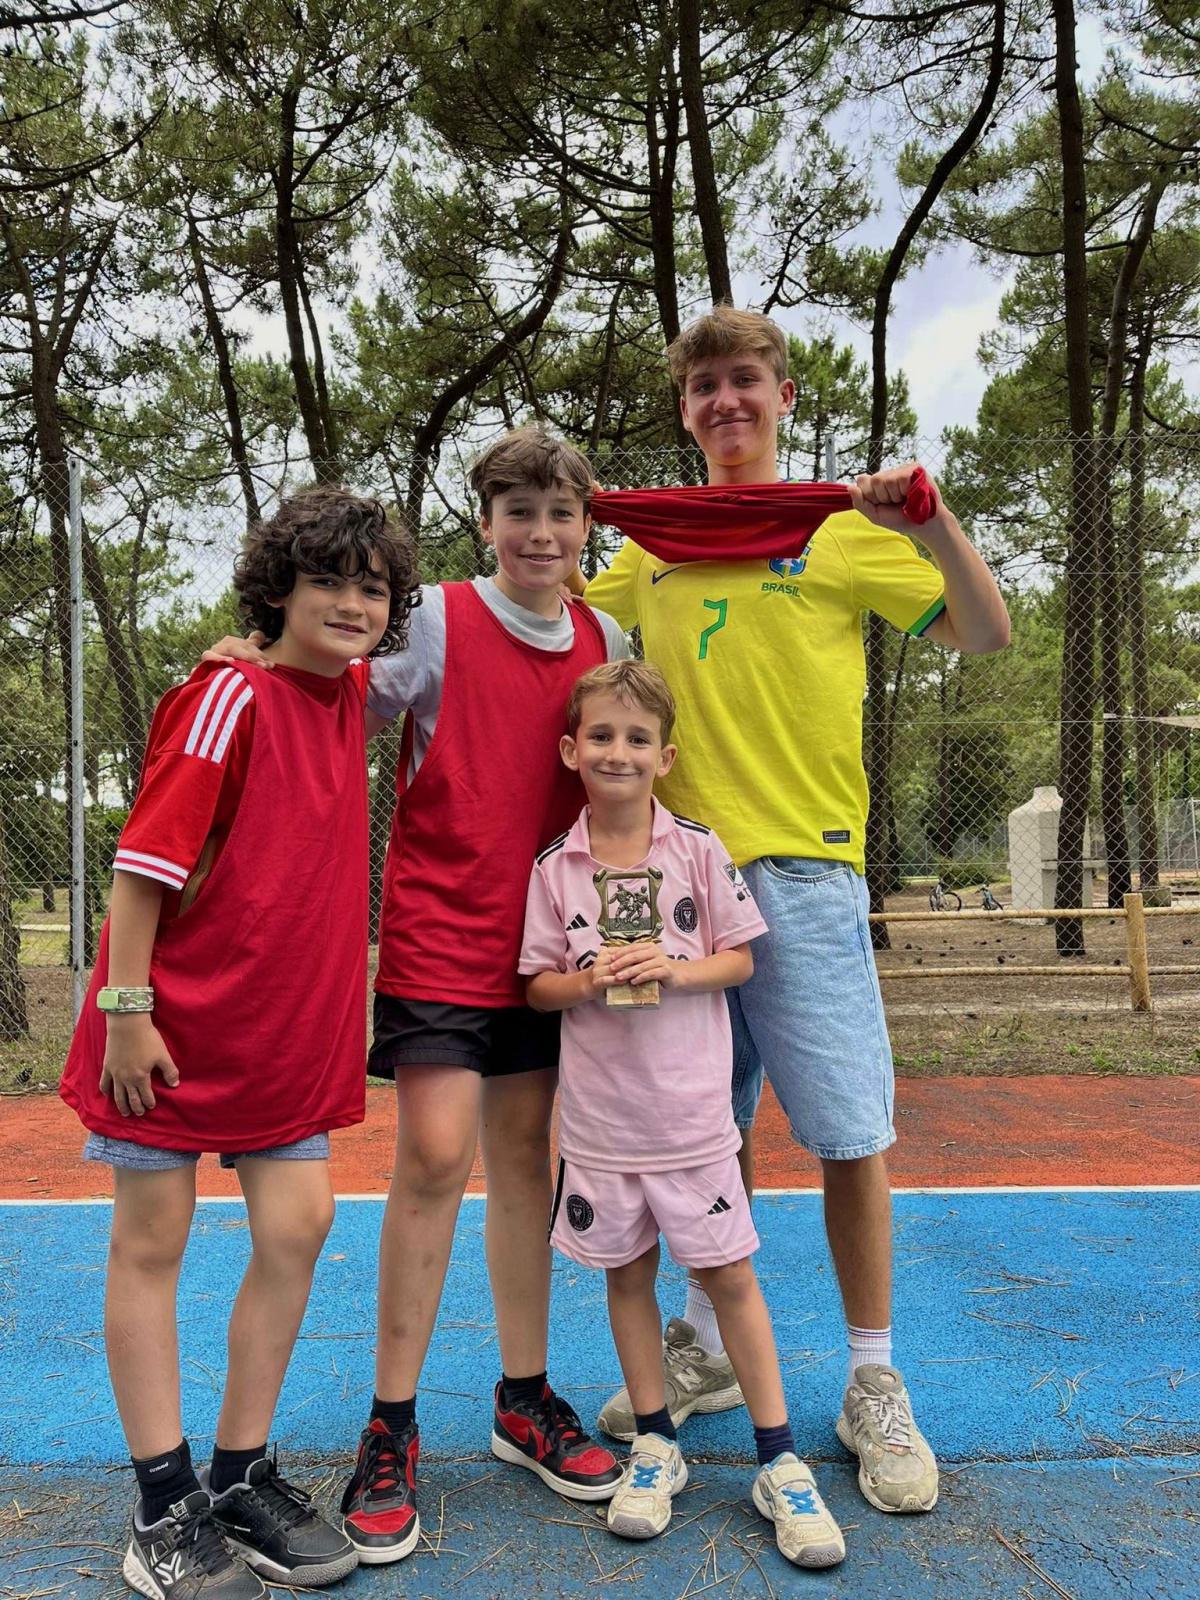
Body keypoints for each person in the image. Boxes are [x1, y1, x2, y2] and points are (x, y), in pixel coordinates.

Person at [583, 306, 1010, 1516]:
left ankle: (873, 1379)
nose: (727, 401)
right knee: (690, 1138)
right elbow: (550, 609)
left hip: (806, 877)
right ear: (686, 409)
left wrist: (932, 521)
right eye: (705, 385)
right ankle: (706, 1346)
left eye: (747, 382)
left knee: (846, 1133)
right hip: (675, 880)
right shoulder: (652, 548)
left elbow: (987, 632)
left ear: (781, 398)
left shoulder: (842, 532)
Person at [206, 428, 628, 1565]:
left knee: (530, 1158)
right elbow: (331, 698)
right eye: (518, 511)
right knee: (436, 1158)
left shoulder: (607, 637)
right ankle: (389, 1425)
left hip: (550, 951)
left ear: (587, 525)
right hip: (445, 937)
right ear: (485, 522)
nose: (541, 533)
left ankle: (523, 1398)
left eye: (561, 513)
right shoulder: (435, 618)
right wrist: (247, 657)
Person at [59, 488, 420, 1598]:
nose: (354, 602)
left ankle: (234, 1472)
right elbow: (138, 865)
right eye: (330, 581)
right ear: (278, 590)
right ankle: (163, 1502)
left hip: (282, 1035)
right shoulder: (227, 695)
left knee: (300, 1225)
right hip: (165, 1027)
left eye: (373, 586)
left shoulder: (350, 692)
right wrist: (128, 1008)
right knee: (154, 1238)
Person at [520, 659, 845, 1566]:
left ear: (666, 756)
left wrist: (671, 965)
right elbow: (538, 987)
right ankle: (656, 1442)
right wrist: (587, 981)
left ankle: (778, 1460)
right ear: (571, 750)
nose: (617, 752)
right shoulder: (556, 867)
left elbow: (740, 960)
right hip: (599, 1128)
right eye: (601, 736)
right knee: (627, 1277)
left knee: (729, 1277)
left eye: (636, 739)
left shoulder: (698, 850)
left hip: (694, 1123)